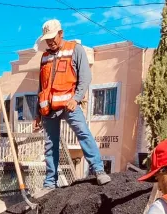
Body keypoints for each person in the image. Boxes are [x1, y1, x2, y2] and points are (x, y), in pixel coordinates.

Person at [33, 19, 111, 187]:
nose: (50, 42)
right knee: (50, 145)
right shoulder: (45, 57)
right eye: (47, 39)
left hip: (70, 105)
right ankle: (49, 182)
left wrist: (76, 99)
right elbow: (41, 87)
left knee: (83, 133)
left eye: (53, 37)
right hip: (48, 109)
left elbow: (85, 78)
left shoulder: (75, 49)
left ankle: (98, 170)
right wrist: (37, 113)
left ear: (61, 33)